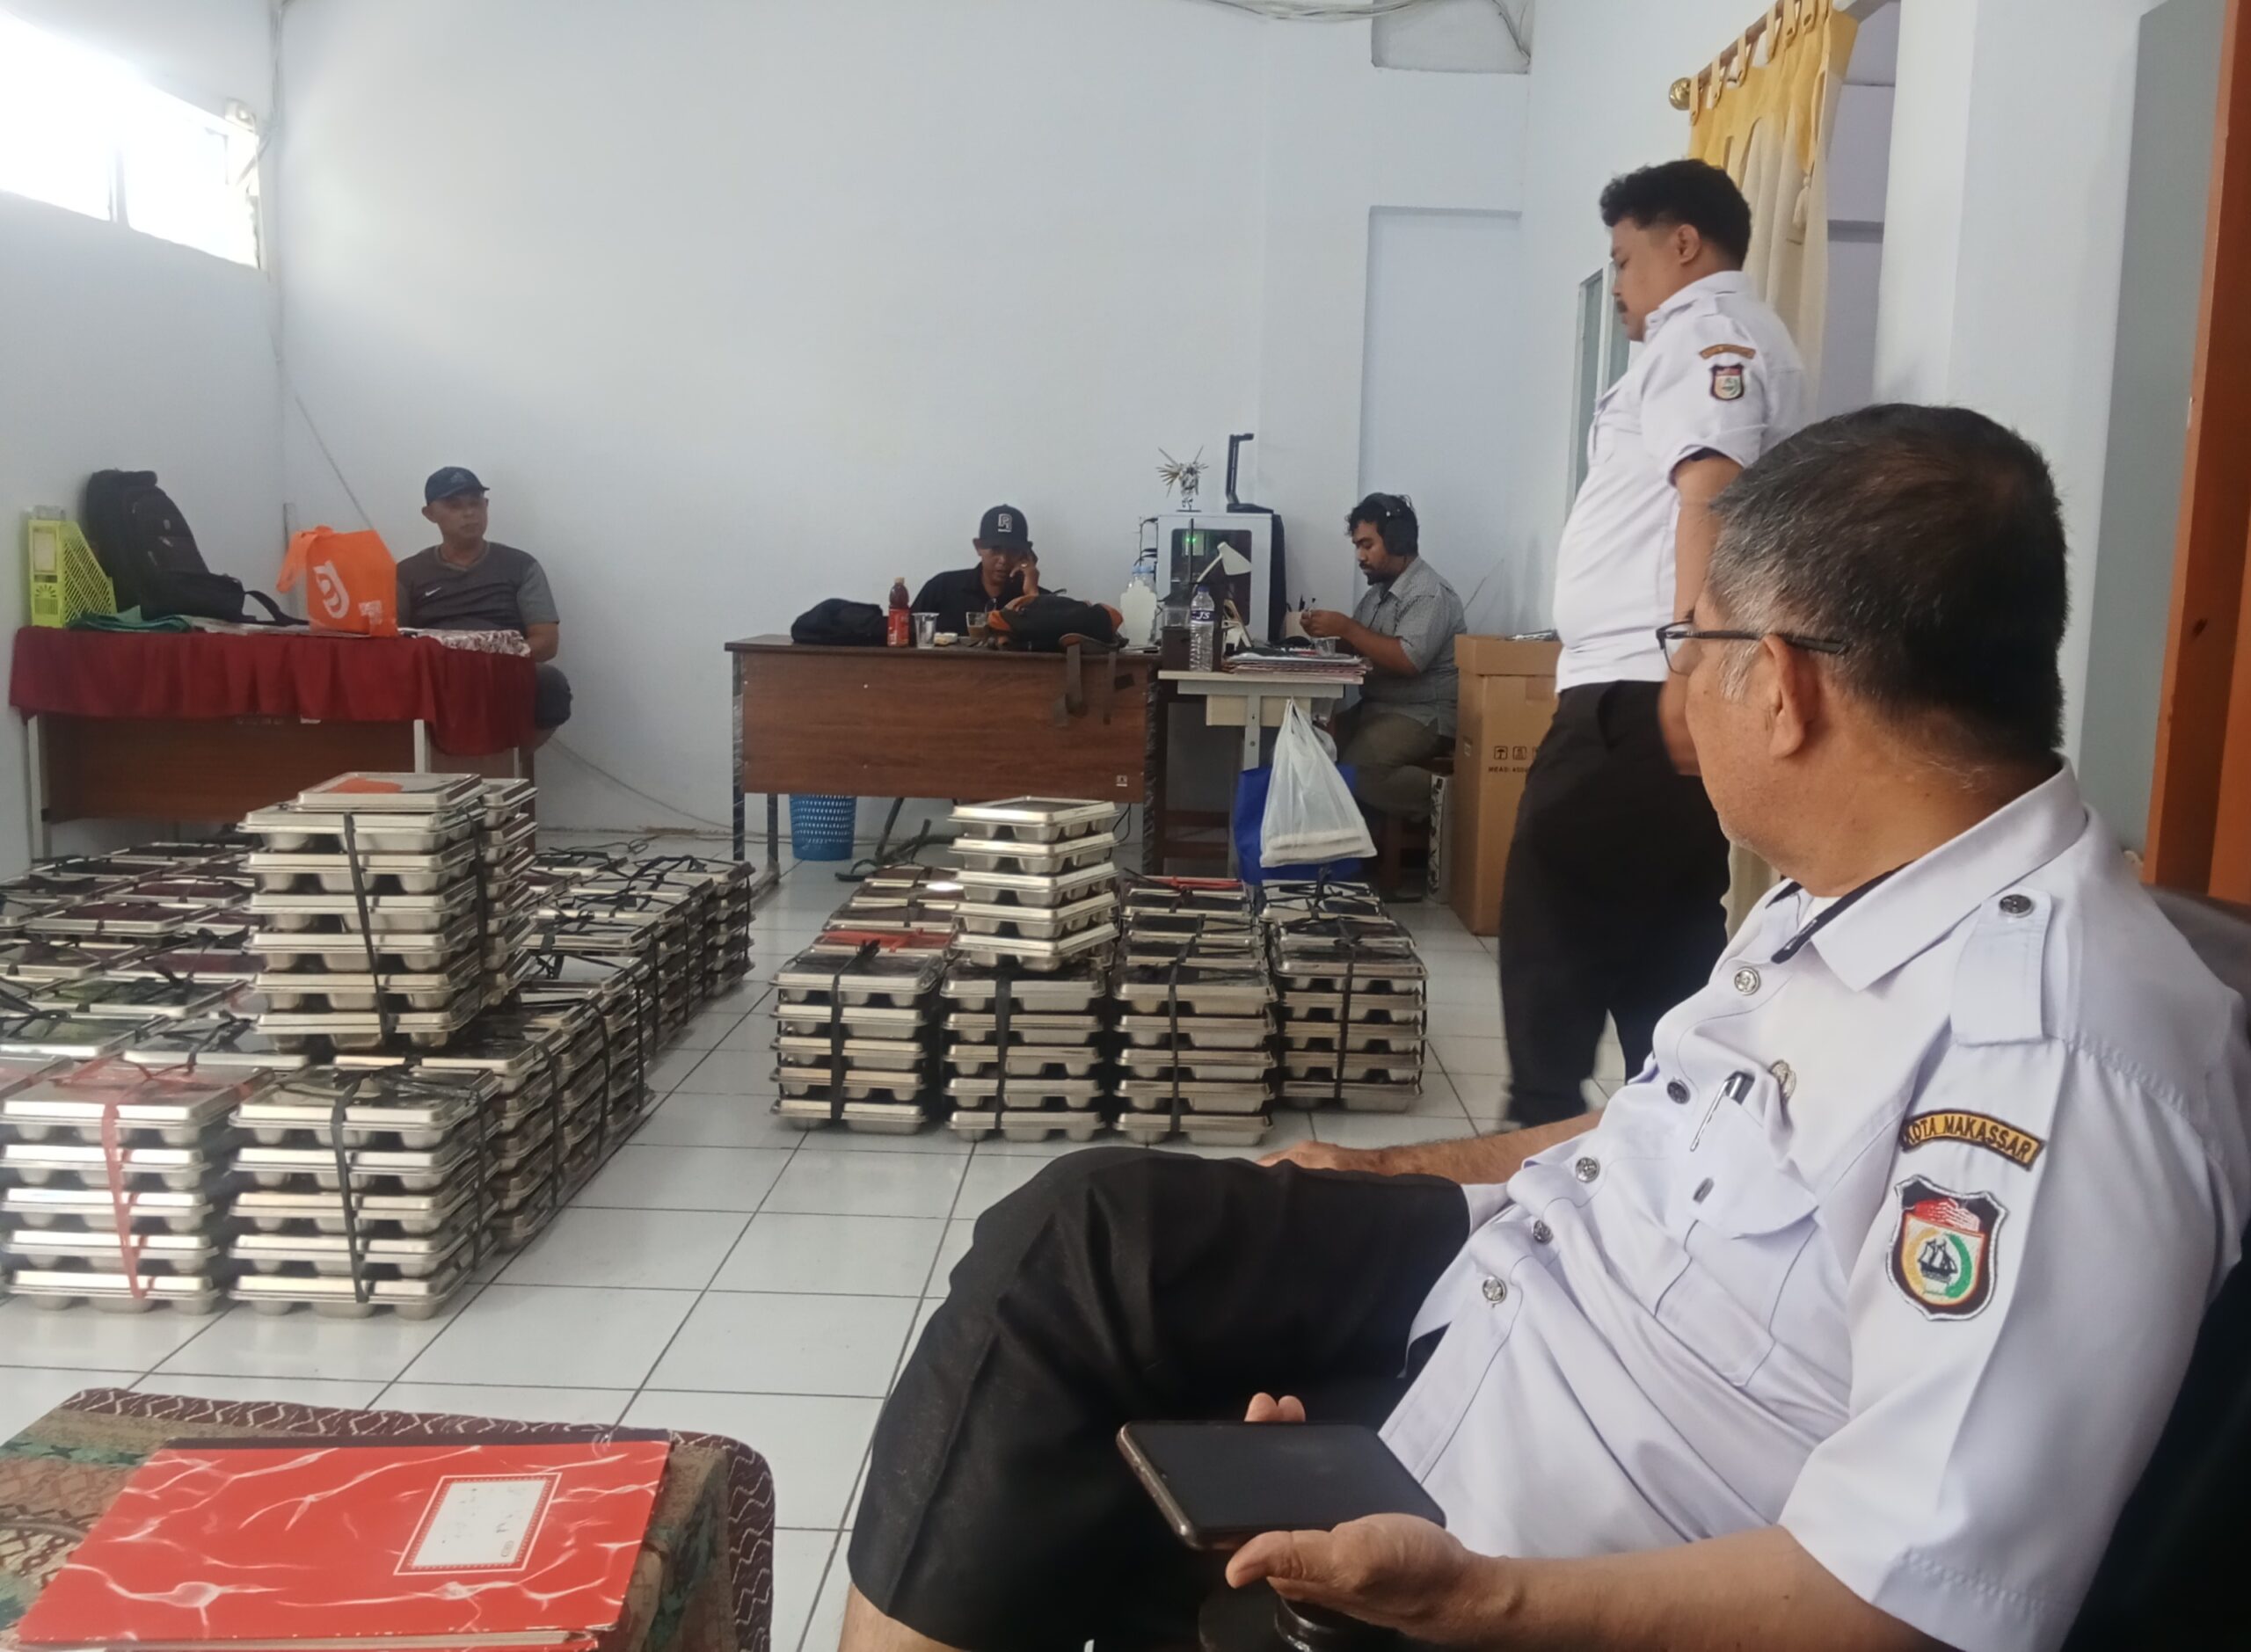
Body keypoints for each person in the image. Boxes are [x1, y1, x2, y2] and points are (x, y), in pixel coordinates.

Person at [837, 405, 2251, 1652]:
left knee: (1103, 1510)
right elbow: (1661, 1124)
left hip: (1585, 1536)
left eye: (1689, 645)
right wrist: (1391, 1170)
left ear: (1782, 684)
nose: (1678, 688)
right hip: (1518, 1303)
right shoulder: (1848, 890)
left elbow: (1905, 1600)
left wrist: (1476, 1601)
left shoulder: (2055, 1058)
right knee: (1082, 1238)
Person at [1502, 158, 1806, 1126]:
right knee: (1660, 921)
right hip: (1650, 679)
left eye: (1625, 261)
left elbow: (1709, 491)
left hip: (1640, 685)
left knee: (1553, 895)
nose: (1620, 288)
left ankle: (1540, 1128)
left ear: (1682, 244)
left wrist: (1689, 657)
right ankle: (1676, 1123)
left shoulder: (1705, 335)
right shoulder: (1720, 338)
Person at [1303, 493, 1467, 819]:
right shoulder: (1378, 594)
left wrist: (1347, 627)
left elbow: (1408, 660)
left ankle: (1463, 799)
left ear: (1397, 541)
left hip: (1423, 713)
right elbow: (1364, 647)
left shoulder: (1428, 593)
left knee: (1360, 771)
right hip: (1379, 708)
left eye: (1367, 545)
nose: (1360, 556)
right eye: (1357, 546)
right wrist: (1323, 637)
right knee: (1310, 747)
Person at [396, 466, 572, 737]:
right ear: (429, 514)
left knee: (550, 683)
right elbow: (392, 641)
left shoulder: (520, 565)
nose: (469, 513)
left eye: (475, 503)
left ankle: (515, 759)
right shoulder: (408, 572)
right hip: (434, 673)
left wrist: (489, 660)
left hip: (503, 668)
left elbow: (547, 642)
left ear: (486, 506)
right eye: (454, 505)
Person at [912, 505, 1037, 625]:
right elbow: (906, 632)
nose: (1003, 560)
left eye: (1013, 551)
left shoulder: (1036, 597)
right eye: (996, 549)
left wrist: (1031, 594)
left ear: (1025, 553)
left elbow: (1044, 635)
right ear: (978, 547)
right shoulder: (942, 588)